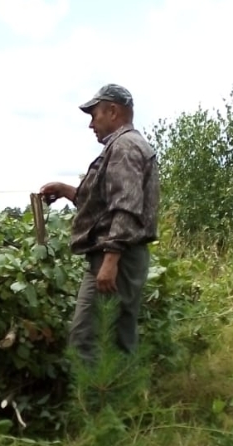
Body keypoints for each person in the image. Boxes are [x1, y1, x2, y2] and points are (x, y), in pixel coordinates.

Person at [40, 84, 160, 364]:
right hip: (123, 255)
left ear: (114, 111)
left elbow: (126, 205)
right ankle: (125, 403)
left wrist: (110, 261)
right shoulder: (127, 146)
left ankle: (97, 405)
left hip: (116, 257)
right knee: (118, 338)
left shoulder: (124, 146)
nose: (91, 124)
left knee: (87, 340)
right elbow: (107, 203)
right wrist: (66, 190)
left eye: (94, 115)